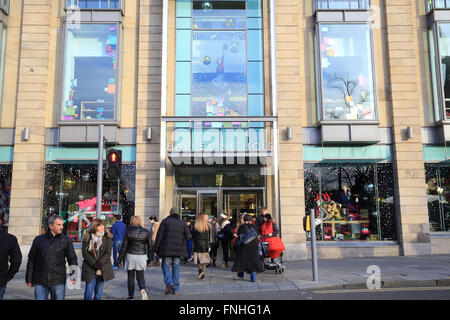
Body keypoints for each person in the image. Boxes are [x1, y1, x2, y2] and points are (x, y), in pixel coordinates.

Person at [26, 215, 78, 300]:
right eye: (58, 225)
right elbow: (31, 259)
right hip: (40, 280)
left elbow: (72, 259)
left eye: (62, 225)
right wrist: (29, 278)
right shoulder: (39, 240)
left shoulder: (66, 240)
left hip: (58, 280)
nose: (61, 227)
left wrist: (74, 276)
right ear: (51, 226)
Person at [154, 208, 191, 295]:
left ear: (170, 213)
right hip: (178, 250)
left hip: (166, 249)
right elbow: (188, 236)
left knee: (165, 265)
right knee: (176, 267)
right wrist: (183, 244)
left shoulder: (165, 221)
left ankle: (169, 282)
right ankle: (176, 288)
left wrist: (155, 249)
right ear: (178, 214)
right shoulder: (182, 223)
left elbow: (159, 236)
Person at [118, 216, 152, 300]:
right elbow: (150, 246)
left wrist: (119, 259)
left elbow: (124, 247)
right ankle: (142, 289)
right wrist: (150, 259)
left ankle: (131, 295)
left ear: (131, 222)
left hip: (130, 255)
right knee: (140, 275)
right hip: (141, 255)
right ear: (140, 221)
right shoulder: (146, 232)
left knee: (130, 276)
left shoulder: (128, 232)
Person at [82, 218, 114, 300]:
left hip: (102, 268)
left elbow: (108, 253)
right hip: (90, 268)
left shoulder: (107, 237)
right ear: (95, 227)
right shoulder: (87, 237)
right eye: (100, 226)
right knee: (88, 292)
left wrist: (99, 263)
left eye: (103, 225)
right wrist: (94, 263)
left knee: (98, 293)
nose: (102, 227)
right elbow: (85, 253)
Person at [232, 214, 264, 282]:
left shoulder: (242, 227)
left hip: (244, 246)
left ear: (245, 220)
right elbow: (258, 236)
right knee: (253, 262)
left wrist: (238, 246)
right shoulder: (255, 226)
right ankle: (253, 278)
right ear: (251, 220)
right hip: (253, 246)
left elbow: (239, 238)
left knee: (242, 260)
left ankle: (241, 274)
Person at [0, 229, 22, 300]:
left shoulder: (9, 239)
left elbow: (17, 259)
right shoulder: (9, 238)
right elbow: (17, 260)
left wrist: (9, 275)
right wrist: (9, 275)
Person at [192, 212, 212, 280]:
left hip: (197, 245)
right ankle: (203, 273)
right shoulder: (208, 226)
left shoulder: (195, 225)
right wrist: (208, 246)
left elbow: (192, 235)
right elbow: (209, 237)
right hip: (205, 245)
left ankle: (200, 271)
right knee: (204, 261)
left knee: (198, 260)